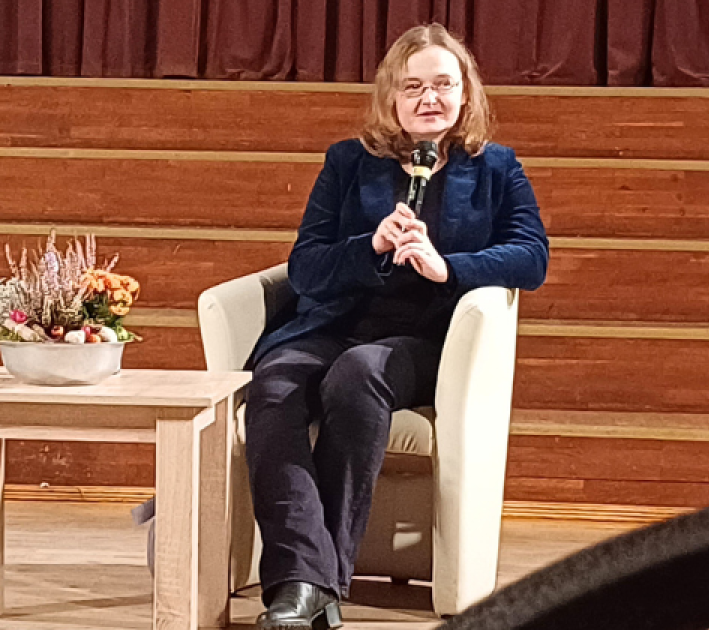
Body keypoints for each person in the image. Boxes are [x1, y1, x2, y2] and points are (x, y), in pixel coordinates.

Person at [247, 23, 550, 630]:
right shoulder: (347, 163)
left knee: (358, 374)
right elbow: (306, 267)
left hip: (424, 340)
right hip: (334, 324)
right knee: (274, 382)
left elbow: (531, 256)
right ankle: (306, 583)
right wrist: (370, 244)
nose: (428, 98)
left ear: (465, 94)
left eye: (443, 84)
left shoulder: (495, 168)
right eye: (413, 86)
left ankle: (314, 581)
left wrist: (448, 266)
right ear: (391, 96)